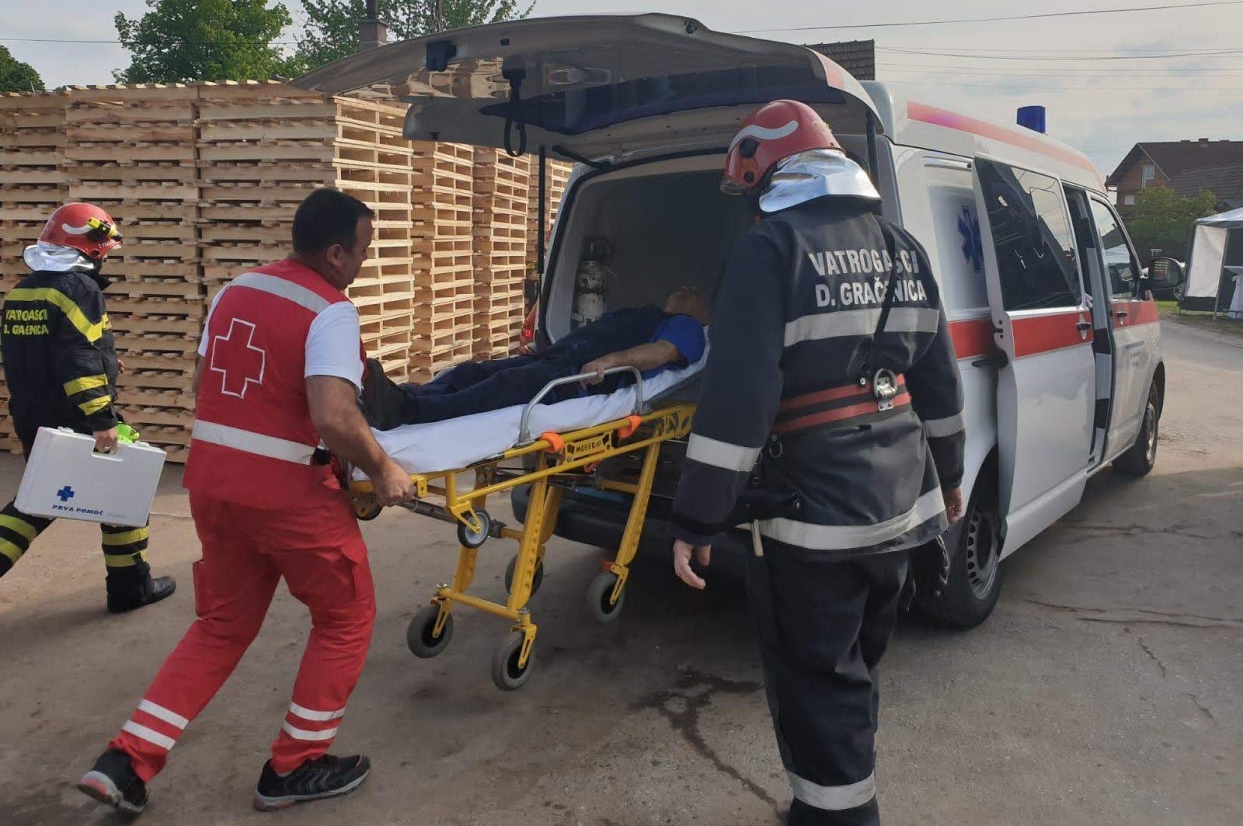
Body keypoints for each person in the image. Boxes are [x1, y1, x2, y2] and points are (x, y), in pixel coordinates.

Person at [668, 101, 966, 826]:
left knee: (816, 682)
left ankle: (838, 816)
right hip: (902, 505)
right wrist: (952, 475)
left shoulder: (768, 249)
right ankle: (837, 798)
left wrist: (698, 517)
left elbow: (740, 398)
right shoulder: (902, 247)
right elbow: (938, 379)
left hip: (813, 520)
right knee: (855, 668)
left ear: (768, 174)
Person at [77, 189, 415, 816]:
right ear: (335, 252)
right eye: (363, 250)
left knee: (222, 626)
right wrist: (382, 467)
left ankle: (126, 760)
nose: (364, 261)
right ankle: (296, 764)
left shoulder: (236, 290)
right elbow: (334, 414)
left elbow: (204, 382)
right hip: (288, 497)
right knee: (345, 617)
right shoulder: (330, 310)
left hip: (213, 486)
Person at [0, 202, 176, 612]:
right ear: (92, 247)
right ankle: (131, 588)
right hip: (76, 416)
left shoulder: (24, 290)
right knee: (126, 485)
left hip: (33, 415)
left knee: (39, 502)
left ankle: (130, 586)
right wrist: (101, 418)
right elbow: (77, 358)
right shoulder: (79, 289)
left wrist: (107, 361)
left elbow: (43, 351)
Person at [361, 286, 710, 430]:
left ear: (703, 313)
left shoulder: (690, 328)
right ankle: (401, 397)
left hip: (579, 379)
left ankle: (407, 412)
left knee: (501, 386)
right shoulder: (644, 312)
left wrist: (610, 362)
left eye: (694, 291)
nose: (684, 288)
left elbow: (662, 352)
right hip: (556, 358)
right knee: (472, 372)